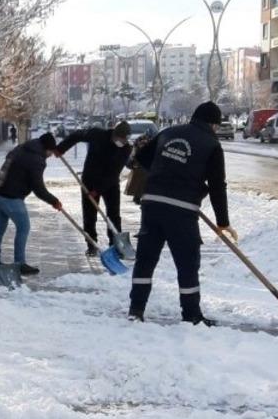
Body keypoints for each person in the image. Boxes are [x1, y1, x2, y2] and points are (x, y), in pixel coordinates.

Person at [128, 102, 236, 326]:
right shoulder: (212, 144)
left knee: (145, 260)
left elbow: (143, 159)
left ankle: (136, 309)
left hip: (152, 204)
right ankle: (191, 315)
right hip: (182, 210)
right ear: (213, 124)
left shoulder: (168, 132)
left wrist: (166, 171)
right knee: (187, 264)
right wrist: (222, 222)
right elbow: (217, 186)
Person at [0, 132, 62, 275]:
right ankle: (20, 263)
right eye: (51, 152)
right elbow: (38, 188)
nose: (51, 155)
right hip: (11, 197)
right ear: (47, 149)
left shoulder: (22, 147)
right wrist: (54, 201)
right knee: (23, 227)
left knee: (0, 227)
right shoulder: (37, 160)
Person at [56, 121, 133, 256]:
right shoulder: (97, 134)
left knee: (114, 215)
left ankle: (115, 244)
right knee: (89, 215)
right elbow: (76, 135)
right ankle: (91, 244)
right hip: (89, 179)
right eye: (121, 139)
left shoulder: (126, 149)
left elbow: (113, 173)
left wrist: (97, 190)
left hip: (110, 183)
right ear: (114, 134)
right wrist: (61, 148)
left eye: (125, 139)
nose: (123, 142)